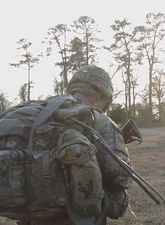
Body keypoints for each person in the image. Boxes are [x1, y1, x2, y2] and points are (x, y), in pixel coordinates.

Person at [3, 65, 133, 225]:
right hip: (73, 218)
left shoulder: (39, 111)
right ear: (100, 96)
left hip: (28, 214)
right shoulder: (97, 118)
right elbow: (122, 175)